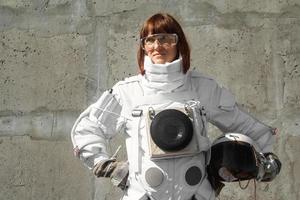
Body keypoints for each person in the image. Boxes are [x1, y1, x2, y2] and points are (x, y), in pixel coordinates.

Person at [71, 13, 281, 200]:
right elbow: (88, 128)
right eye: (150, 40)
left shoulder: (202, 88)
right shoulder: (127, 92)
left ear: (178, 43)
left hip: (197, 194)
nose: (157, 46)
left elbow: (241, 124)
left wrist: (268, 157)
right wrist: (108, 166)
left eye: (165, 38)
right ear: (143, 46)